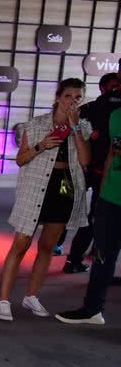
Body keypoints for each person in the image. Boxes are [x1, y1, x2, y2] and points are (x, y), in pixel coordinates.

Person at [0, 78, 92, 322]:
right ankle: (4, 299)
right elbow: (20, 160)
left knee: (48, 246)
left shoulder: (83, 126)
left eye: (78, 97)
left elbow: (85, 160)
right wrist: (41, 145)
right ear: (58, 97)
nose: (73, 101)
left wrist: (76, 127)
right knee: (21, 244)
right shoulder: (36, 124)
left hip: (64, 188)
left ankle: (32, 295)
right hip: (36, 187)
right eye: (68, 96)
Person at [56, 101, 121, 325]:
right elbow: (112, 154)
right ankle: (92, 309)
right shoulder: (116, 116)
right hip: (111, 198)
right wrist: (103, 191)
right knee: (103, 256)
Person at [61, 72, 121, 273]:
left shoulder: (93, 108)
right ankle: (61, 248)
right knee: (67, 205)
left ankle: (75, 258)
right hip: (84, 168)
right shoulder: (90, 108)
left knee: (94, 215)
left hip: (105, 172)